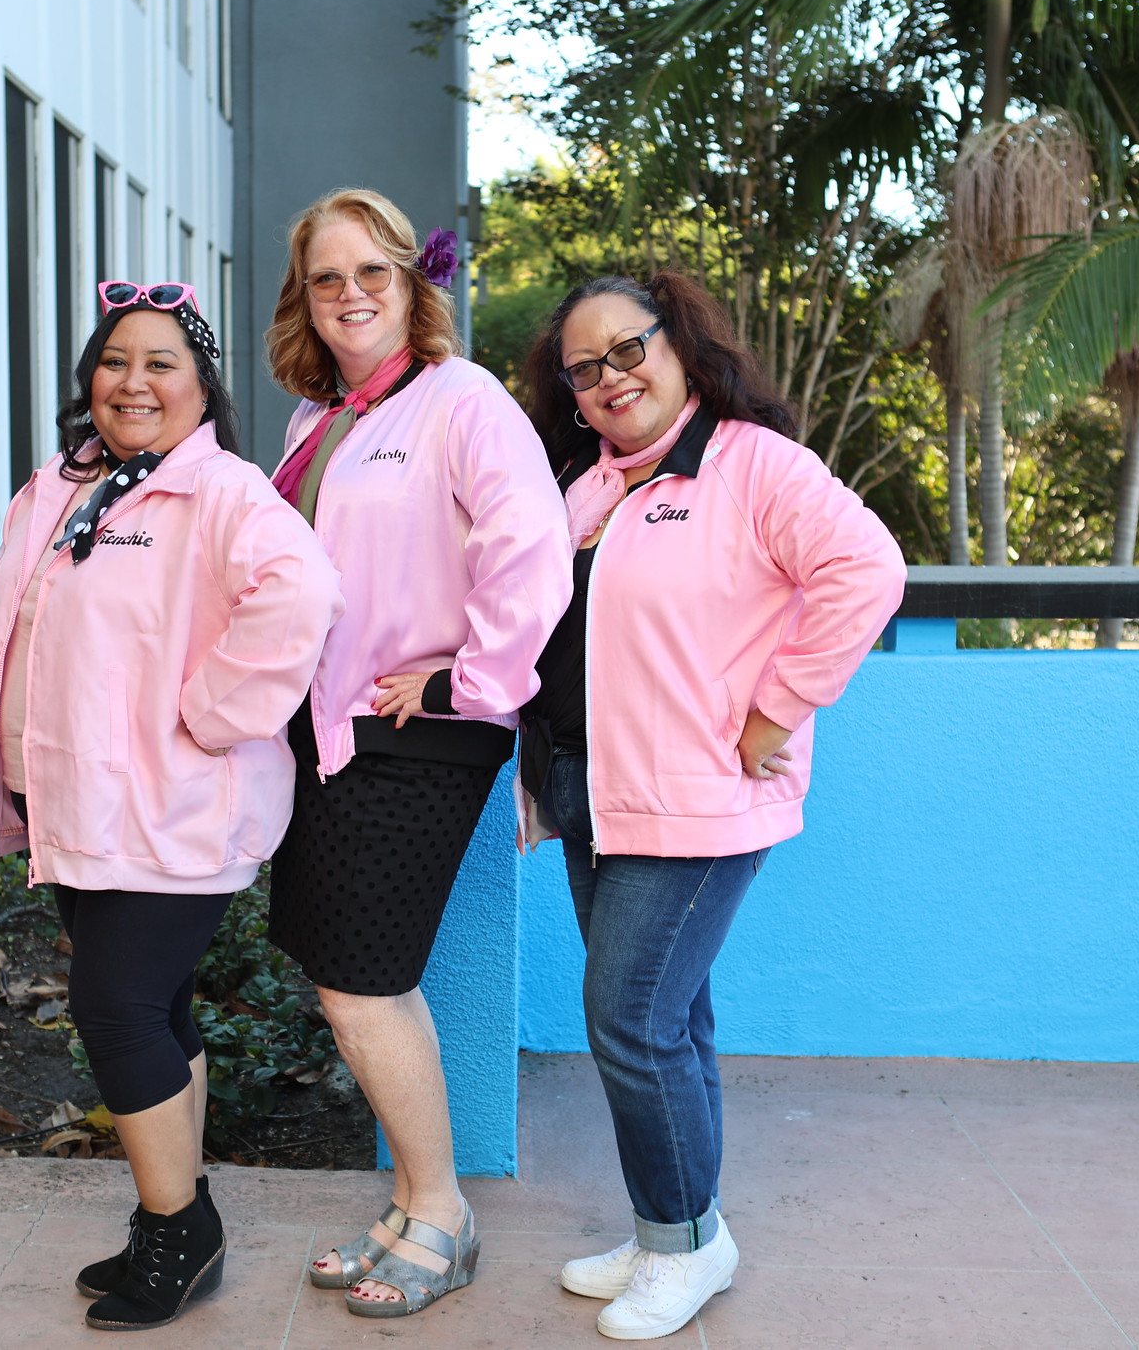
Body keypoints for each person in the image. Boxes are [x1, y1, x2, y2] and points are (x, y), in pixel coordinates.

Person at [0, 282, 343, 1333]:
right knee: (156, 1008)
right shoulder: (68, 486)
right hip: (77, 798)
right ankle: (179, 1213)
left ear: (200, 384)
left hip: (170, 806)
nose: (133, 382)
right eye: (116, 360)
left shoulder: (221, 494)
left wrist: (211, 714)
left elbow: (300, 593)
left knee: (113, 1009)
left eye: (161, 362)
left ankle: (177, 1230)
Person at [518, 272, 905, 1341]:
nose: (608, 379)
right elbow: (551, 638)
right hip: (594, 792)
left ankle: (683, 1244)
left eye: (626, 349)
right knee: (668, 1022)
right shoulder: (587, 486)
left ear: (678, 343)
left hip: (699, 802)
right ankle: (675, 1230)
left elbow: (865, 568)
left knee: (629, 1022)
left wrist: (775, 713)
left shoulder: (748, 464)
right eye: (582, 368)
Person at [261, 188, 572, 1317]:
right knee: (359, 980)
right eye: (326, 278)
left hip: (419, 735)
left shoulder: (462, 400)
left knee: (361, 985)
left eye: (371, 273)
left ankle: (442, 1212)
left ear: (411, 285)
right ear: (305, 296)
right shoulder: (314, 419)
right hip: (329, 734)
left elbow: (531, 557)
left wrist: (462, 682)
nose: (349, 295)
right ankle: (405, 1202)